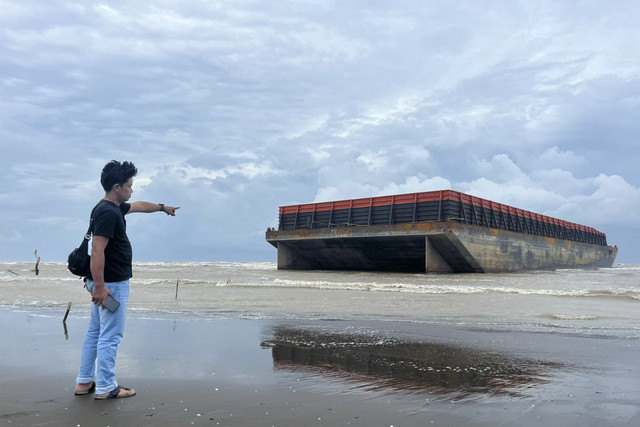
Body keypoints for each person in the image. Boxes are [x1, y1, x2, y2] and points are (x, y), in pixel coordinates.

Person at [74, 160, 180, 399]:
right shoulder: (108, 213)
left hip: (104, 282)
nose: (132, 190)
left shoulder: (110, 207)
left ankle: (84, 382)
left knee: (96, 332)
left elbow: (140, 205)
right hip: (110, 284)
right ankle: (105, 387)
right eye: (129, 186)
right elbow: (98, 250)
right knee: (111, 336)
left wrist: (163, 207)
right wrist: (100, 288)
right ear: (116, 187)